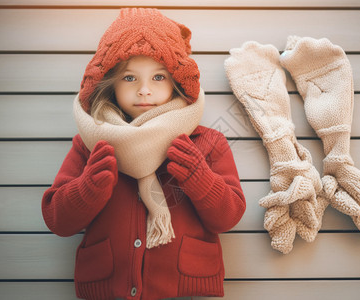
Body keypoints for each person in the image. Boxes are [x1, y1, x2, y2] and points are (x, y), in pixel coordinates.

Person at [42, 8, 246, 300]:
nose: (144, 91)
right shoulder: (90, 144)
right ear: (109, 82)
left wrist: (199, 178)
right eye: (129, 78)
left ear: (177, 81)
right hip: (108, 287)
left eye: (159, 77)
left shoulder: (206, 142)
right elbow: (57, 219)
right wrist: (88, 188)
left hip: (184, 289)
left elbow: (228, 217)